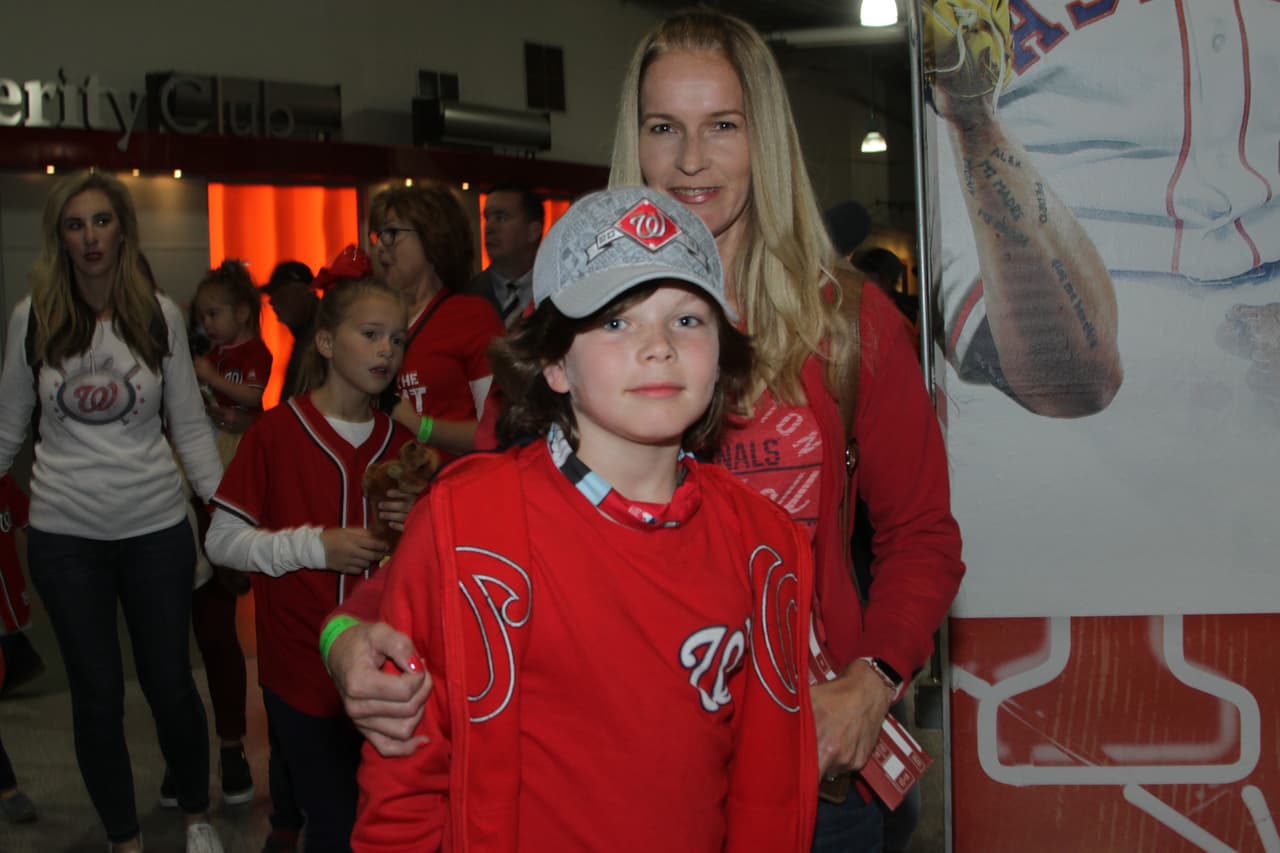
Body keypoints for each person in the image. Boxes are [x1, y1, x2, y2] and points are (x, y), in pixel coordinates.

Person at [326, 10, 965, 852]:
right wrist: (344, 640)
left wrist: (873, 679)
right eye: (665, 127)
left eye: (723, 126)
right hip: (605, 762)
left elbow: (922, 532)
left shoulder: (849, 328)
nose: (692, 159)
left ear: (763, 137)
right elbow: (464, 536)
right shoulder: (573, 329)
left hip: (809, 751)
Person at [351, 186, 817, 851]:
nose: (658, 346)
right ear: (553, 362)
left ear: (721, 356)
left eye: (687, 319)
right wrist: (339, 632)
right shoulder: (468, 522)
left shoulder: (766, 546)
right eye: (616, 321)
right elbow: (404, 780)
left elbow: (768, 792)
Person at [0, 171, 225, 853]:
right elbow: (9, 425)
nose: (91, 236)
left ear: (123, 229)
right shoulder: (31, 315)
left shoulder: (160, 314)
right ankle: (124, 839)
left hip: (155, 529)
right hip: (66, 537)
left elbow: (189, 429)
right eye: (76, 224)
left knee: (168, 682)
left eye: (102, 221)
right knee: (95, 695)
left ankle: (195, 814)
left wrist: (228, 516)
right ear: (59, 237)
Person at [204, 276, 414, 852]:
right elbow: (222, 541)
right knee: (337, 824)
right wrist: (313, 546)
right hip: (300, 671)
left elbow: (422, 566)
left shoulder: (401, 445)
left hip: (383, 677)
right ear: (324, 343)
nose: (385, 351)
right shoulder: (276, 433)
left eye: (396, 340)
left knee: (378, 818)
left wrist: (415, 524)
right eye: (370, 334)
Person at [369, 184, 505, 459]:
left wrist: (423, 427)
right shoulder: (377, 321)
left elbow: (499, 432)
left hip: (457, 491)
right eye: (379, 234)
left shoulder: (471, 316)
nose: (381, 246)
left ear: (432, 238)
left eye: (392, 233)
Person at [461, 182, 545, 327]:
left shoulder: (557, 297)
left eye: (501, 218)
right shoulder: (464, 297)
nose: (489, 227)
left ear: (533, 231)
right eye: (487, 218)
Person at [262, 260, 318, 402]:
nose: (271, 301)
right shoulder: (306, 336)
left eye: (279, 294)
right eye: (271, 295)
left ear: (305, 290)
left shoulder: (322, 338)